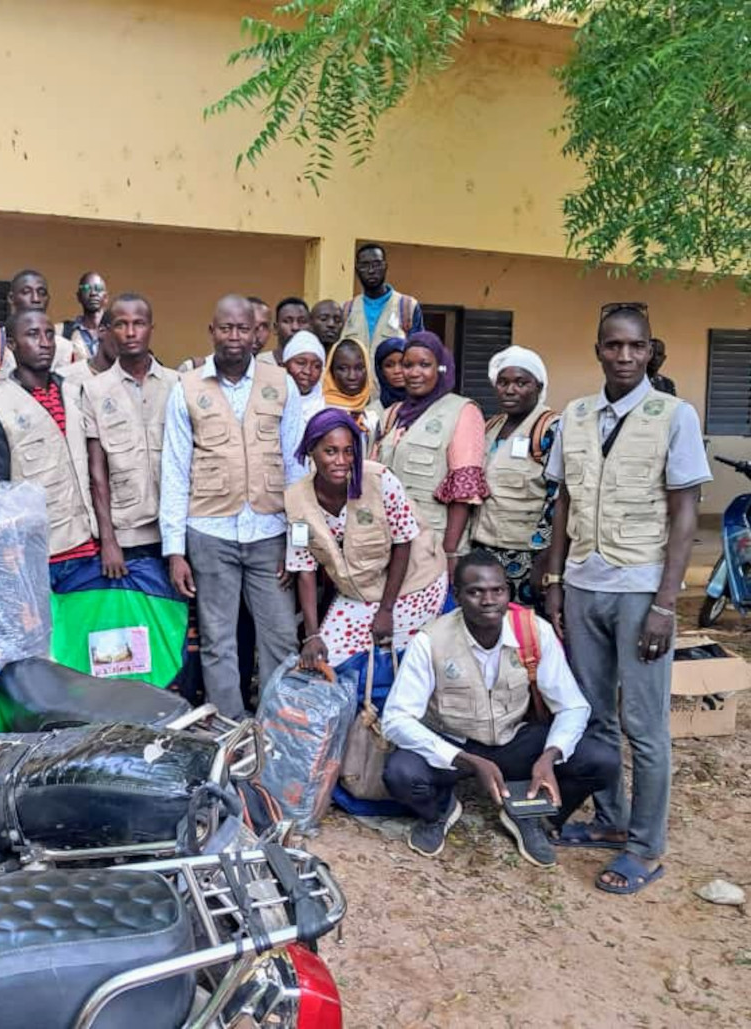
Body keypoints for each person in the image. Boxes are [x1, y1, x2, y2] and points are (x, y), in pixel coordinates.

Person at [542, 303, 709, 895]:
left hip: (641, 588)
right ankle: (610, 819)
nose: (623, 356)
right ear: (598, 350)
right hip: (585, 584)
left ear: (649, 351)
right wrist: (556, 580)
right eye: (612, 345)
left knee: (645, 723)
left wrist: (668, 602)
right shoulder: (577, 417)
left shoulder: (674, 415)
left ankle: (646, 845)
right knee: (594, 717)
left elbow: (685, 511)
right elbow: (562, 504)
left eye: (634, 346)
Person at [381, 550, 618, 866]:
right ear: (458, 596)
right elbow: (396, 719)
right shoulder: (432, 640)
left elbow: (572, 706)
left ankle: (531, 817)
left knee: (602, 760)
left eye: (497, 590)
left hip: (513, 741)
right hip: (456, 745)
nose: (488, 600)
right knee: (401, 773)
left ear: (508, 592)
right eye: (475, 591)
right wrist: (465, 759)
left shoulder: (534, 631)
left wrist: (550, 755)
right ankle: (439, 812)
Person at [160, 294, 305, 718]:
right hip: (210, 533)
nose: (235, 337)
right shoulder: (186, 389)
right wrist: (175, 550)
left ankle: (281, 730)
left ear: (257, 333)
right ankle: (228, 729)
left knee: (280, 638)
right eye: (226, 328)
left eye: (243, 328)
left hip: (270, 534)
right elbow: (174, 470)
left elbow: (296, 467)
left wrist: (298, 543)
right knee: (218, 641)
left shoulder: (281, 383)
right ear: (212, 332)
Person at [288, 410, 446, 670]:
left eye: (348, 451)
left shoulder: (380, 480)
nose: (341, 461)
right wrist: (312, 635)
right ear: (311, 450)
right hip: (359, 590)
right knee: (329, 662)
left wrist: (386, 610)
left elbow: (403, 543)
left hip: (414, 584)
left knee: (394, 661)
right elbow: (305, 569)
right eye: (330, 451)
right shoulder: (296, 501)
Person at [0, 309, 98, 586]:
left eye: (49, 334)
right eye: (32, 335)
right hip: (38, 556)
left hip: (90, 546)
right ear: (12, 345)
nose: (44, 342)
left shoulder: (76, 392)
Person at [374, 332, 487, 577]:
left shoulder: (462, 411)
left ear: (441, 368)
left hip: (432, 545)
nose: (414, 373)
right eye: (408, 365)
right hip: (389, 543)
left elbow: (463, 493)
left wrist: (449, 551)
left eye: (425, 365)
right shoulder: (393, 414)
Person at [81, 293, 178, 578]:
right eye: (121, 325)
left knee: (176, 619)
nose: (131, 332)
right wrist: (108, 541)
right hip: (126, 536)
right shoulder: (95, 391)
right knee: (131, 621)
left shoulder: (177, 385)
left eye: (139, 323)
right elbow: (96, 474)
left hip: (173, 532)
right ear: (108, 331)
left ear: (151, 328)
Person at [471, 346, 559, 608]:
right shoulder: (491, 426)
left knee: (525, 631)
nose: (510, 390)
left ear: (538, 386)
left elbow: (557, 500)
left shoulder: (550, 428)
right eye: (503, 382)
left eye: (521, 383)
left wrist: (544, 559)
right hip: (483, 548)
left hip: (526, 556)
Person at [0, 269, 75, 387]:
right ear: (11, 298)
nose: (35, 299)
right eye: (26, 292)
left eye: (41, 293)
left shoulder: (66, 349)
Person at [343, 243, 423, 359]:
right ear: (357, 270)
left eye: (377, 264)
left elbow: (418, 354)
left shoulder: (407, 307)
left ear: (385, 267)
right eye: (364, 265)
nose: (371, 271)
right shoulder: (347, 310)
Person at [321, 335, 384, 439]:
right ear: (331, 371)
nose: (352, 376)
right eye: (343, 369)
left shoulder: (374, 414)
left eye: (359, 368)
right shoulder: (320, 412)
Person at [280, 330, 327, 425]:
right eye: (301, 363)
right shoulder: (272, 400)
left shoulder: (327, 406)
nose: (308, 371)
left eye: (316, 366)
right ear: (284, 366)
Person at [59, 271, 108, 361]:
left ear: (106, 297)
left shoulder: (115, 332)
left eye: (98, 288)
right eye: (86, 288)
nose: (93, 293)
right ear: (79, 296)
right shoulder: (63, 331)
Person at [259, 297, 311, 366]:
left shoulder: (316, 368)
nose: (295, 327)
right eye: (287, 321)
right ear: (276, 328)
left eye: (302, 321)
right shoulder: (260, 363)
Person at [374, 336, 408, 409]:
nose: (397, 371)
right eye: (389, 365)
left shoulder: (427, 403)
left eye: (403, 363)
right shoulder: (372, 411)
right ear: (380, 370)